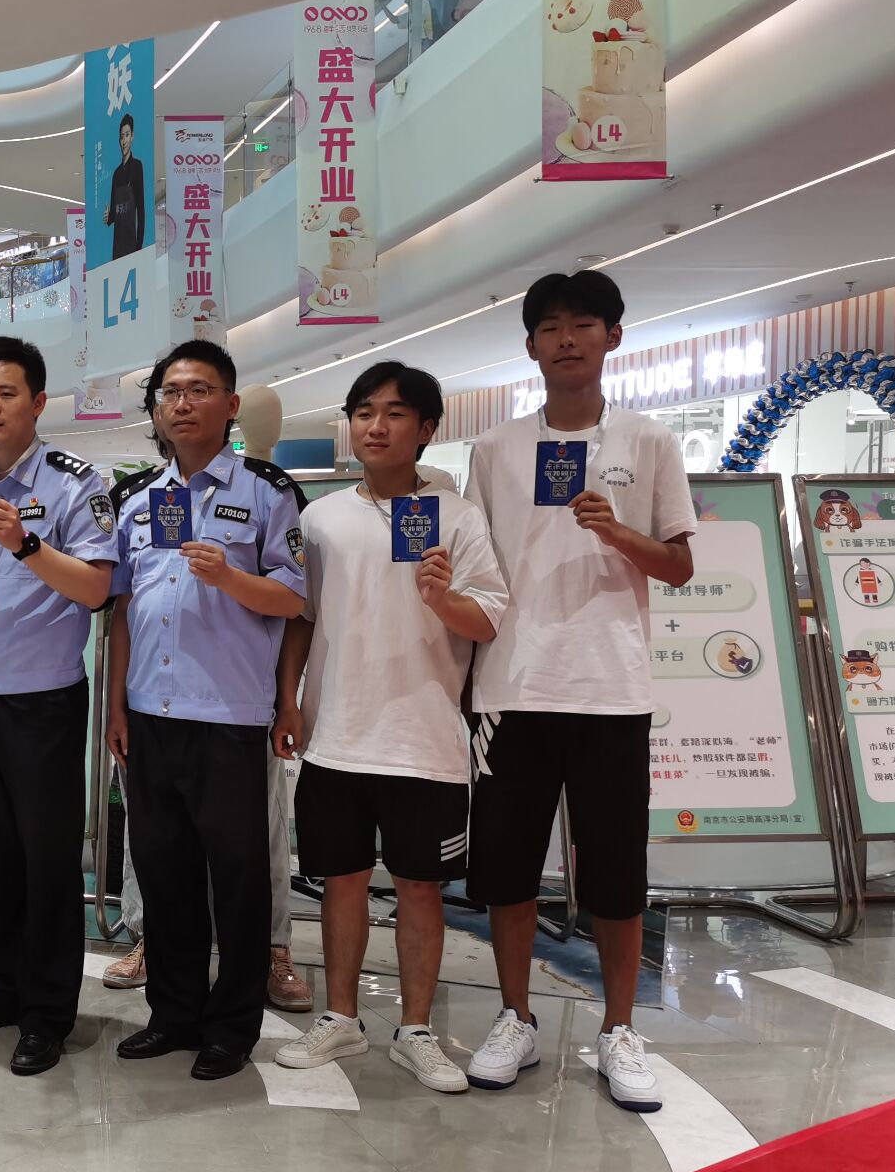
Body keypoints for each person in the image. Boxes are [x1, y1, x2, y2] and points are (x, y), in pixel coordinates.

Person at [462, 270, 697, 1112]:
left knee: (616, 874)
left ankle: (619, 1029)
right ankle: (515, 1018)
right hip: (513, 688)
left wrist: (618, 531)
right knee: (509, 870)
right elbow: (476, 565)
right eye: (551, 327)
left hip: (610, 689)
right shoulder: (493, 450)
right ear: (530, 345)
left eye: (584, 324)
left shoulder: (650, 440)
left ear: (613, 337)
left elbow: (680, 564)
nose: (567, 339)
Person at [271, 362, 507, 1092]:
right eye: (364, 412)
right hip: (336, 735)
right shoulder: (320, 519)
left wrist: (441, 598)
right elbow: (301, 619)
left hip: (424, 740)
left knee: (420, 888)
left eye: (396, 413)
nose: (376, 426)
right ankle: (341, 1018)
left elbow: (488, 619)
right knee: (340, 883)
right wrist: (288, 701)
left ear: (427, 428)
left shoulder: (458, 517)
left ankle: (416, 1030)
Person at [104, 342, 306, 1080]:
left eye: (199, 390)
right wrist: (117, 706)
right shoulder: (136, 498)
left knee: (238, 878)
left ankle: (231, 1025)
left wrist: (231, 578)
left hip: (228, 714)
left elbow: (294, 599)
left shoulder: (266, 491)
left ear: (230, 405)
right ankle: (173, 1013)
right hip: (150, 712)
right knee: (165, 872)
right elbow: (122, 608)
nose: (182, 403)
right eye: (170, 392)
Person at [0, 336, 118, 1076]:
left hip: (43, 702)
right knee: (2, 858)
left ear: (38, 403)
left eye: (7, 393)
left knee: (48, 864)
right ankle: (9, 989)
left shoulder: (76, 483)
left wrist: (26, 544)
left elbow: (98, 589)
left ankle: (48, 1012)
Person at [106, 113, 146, 260]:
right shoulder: (116, 173)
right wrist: (108, 217)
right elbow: (113, 215)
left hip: (131, 244)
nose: (124, 141)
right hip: (117, 244)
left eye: (127, 135)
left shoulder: (137, 166)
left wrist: (139, 247)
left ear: (132, 136)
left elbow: (141, 210)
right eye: (121, 136)